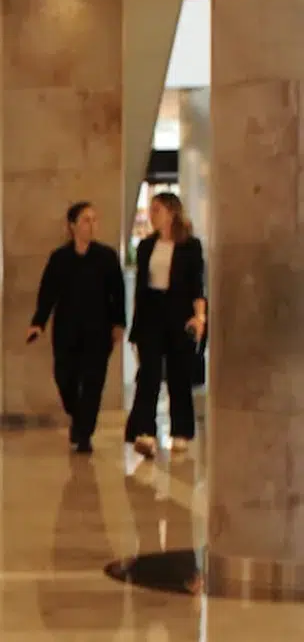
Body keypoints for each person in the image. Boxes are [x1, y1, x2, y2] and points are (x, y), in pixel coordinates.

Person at [26, 202, 126, 454]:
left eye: (94, 220)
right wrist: (38, 323)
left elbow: (118, 293)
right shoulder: (60, 258)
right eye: (85, 220)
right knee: (65, 377)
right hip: (67, 330)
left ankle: (84, 434)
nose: (91, 225)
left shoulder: (106, 257)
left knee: (93, 383)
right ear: (72, 226)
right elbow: (47, 293)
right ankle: (78, 416)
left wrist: (119, 323)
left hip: (98, 331)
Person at [126, 192, 205, 458]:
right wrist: (136, 328)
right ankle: (144, 431)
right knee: (148, 373)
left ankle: (181, 431)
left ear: (172, 212)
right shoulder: (146, 246)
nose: (152, 215)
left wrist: (199, 317)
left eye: (157, 209)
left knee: (178, 373)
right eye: (151, 209)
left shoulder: (190, 246)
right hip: (151, 313)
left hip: (179, 313)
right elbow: (140, 289)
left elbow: (197, 285)